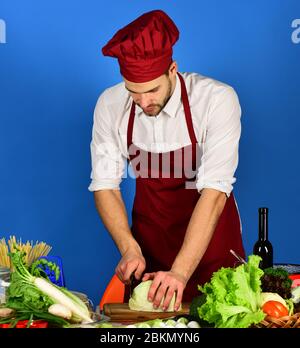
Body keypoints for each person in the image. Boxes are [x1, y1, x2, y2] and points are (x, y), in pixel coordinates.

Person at [88, 9, 245, 310]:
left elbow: (213, 195)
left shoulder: (216, 100)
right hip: (151, 256)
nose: (144, 103)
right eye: (134, 93)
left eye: (152, 90)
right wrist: (129, 247)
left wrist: (180, 272)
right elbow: (104, 186)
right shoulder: (110, 105)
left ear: (172, 70)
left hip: (214, 255)